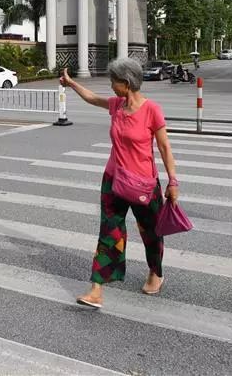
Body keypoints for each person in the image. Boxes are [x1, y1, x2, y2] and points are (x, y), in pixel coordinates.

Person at [60, 59, 179, 308]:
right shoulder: (116, 105)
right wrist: (71, 83)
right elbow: (92, 98)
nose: (111, 86)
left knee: (151, 233)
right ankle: (96, 289)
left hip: (144, 184)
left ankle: (155, 272)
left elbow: (165, 147)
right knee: (109, 234)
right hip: (113, 181)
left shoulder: (151, 110)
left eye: (114, 81)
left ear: (126, 83)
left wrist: (173, 181)